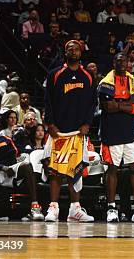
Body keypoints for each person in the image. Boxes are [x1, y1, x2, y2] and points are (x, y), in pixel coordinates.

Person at [43, 39, 96, 222]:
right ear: (65, 53)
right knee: (55, 170)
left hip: (78, 131)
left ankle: (75, 210)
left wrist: (87, 124)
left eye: (76, 49)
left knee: (76, 170)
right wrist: (49, 123)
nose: (73, 52)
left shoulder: (88, 76)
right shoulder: (55, 74)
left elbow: (92, 103)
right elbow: (47, 100)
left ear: (81, 53)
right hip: (58, 130)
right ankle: (53, 208)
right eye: (69, 49)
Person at [98, 54, 134, 223]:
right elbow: (107, 106)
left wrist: (118, 104)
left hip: (130, 133)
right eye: (118, 60)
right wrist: (128, 105)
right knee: (112, 170)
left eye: (124, 61)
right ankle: (111, 208)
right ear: (114, 62)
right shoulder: (105, 82)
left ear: (129, 63)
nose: (121, 63)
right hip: (111, 132)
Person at [0, 117, 43, 220]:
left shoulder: (6, 140)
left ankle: (34, 206)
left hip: (9, 171)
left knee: (27, 165)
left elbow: (13, 158)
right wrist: (2, 167)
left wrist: (7, 167)